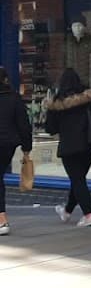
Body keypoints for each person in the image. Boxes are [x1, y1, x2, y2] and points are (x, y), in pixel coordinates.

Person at [43, 68, 91, 227]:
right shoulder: (89, 97)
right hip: (90, 144)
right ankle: (67, 211)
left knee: (77, 180)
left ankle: (88, 214)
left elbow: (50, 128)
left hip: (69, 146)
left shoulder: (56, 103)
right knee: (78, 180)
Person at [0, 68, 33, 235]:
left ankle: (2, 218)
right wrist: (27, 147)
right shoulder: (14, 99)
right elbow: (24, 125)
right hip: (8, 144)